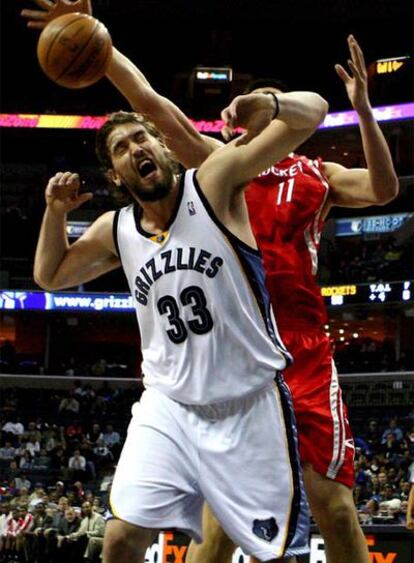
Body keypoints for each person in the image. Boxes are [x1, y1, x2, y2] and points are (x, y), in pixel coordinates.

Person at [21, 4, 397, 562]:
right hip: (223, 363)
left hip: (298, 348)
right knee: (208, 527)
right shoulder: (217, 165)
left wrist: (356, 110)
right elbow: (152, 107)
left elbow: (379, 184)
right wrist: (101, 50)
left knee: (333, 509)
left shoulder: (311, 174)